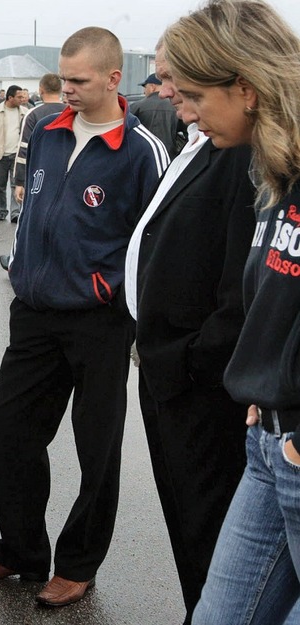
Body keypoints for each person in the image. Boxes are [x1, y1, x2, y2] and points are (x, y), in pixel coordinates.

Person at [0, 26, 169, 608]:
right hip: (36, 312)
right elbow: (32, 207)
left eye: (79, 81)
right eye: (63, 79)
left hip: (99, 321)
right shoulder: (43, 129)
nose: (66, 90)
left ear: (112, 78)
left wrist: (111, 289)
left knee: (97, 449)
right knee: (7, 428)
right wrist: (22, 268)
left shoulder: (142, 150)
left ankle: (77, 565)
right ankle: (20, 551)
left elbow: (156, 242)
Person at [162, 2, 300, 622]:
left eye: (192, 94)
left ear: (245, 87)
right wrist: (265, 377)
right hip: (266, 440)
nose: (182, 111)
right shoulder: (275, 173)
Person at [125, 38, 254, 625]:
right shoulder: (205, 142)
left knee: (213, 532)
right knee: (189, 524)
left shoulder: (240, 154)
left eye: (178, 79)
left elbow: (243, 290)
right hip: (171, 369)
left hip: (200, 383)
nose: (167, 90)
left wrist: (189, 361)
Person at [0, 73, 67, 270]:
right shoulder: (71, 111)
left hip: (39, 176)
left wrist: (19, 182)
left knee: (28, 220)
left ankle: (16, 261)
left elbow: (23, 151)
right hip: (66, 174)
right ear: (60, 89)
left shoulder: (33, 114)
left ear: (41, 90)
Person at [0, 84, 29, 222]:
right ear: (10, 97)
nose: (22, 99)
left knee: (16, 184)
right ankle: (2, 211)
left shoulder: (24, 113)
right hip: (0, 155)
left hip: (18, 155)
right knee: (0, 186)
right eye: (19, 97)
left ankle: (15, 213)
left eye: (23, 96)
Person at [130, 73, 182, 158]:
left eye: (145, 87)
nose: (144, 91)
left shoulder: (136, 106)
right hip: (170, 157)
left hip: (143, 156)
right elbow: (188, 132)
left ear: (152, 87)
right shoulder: (176, 107)